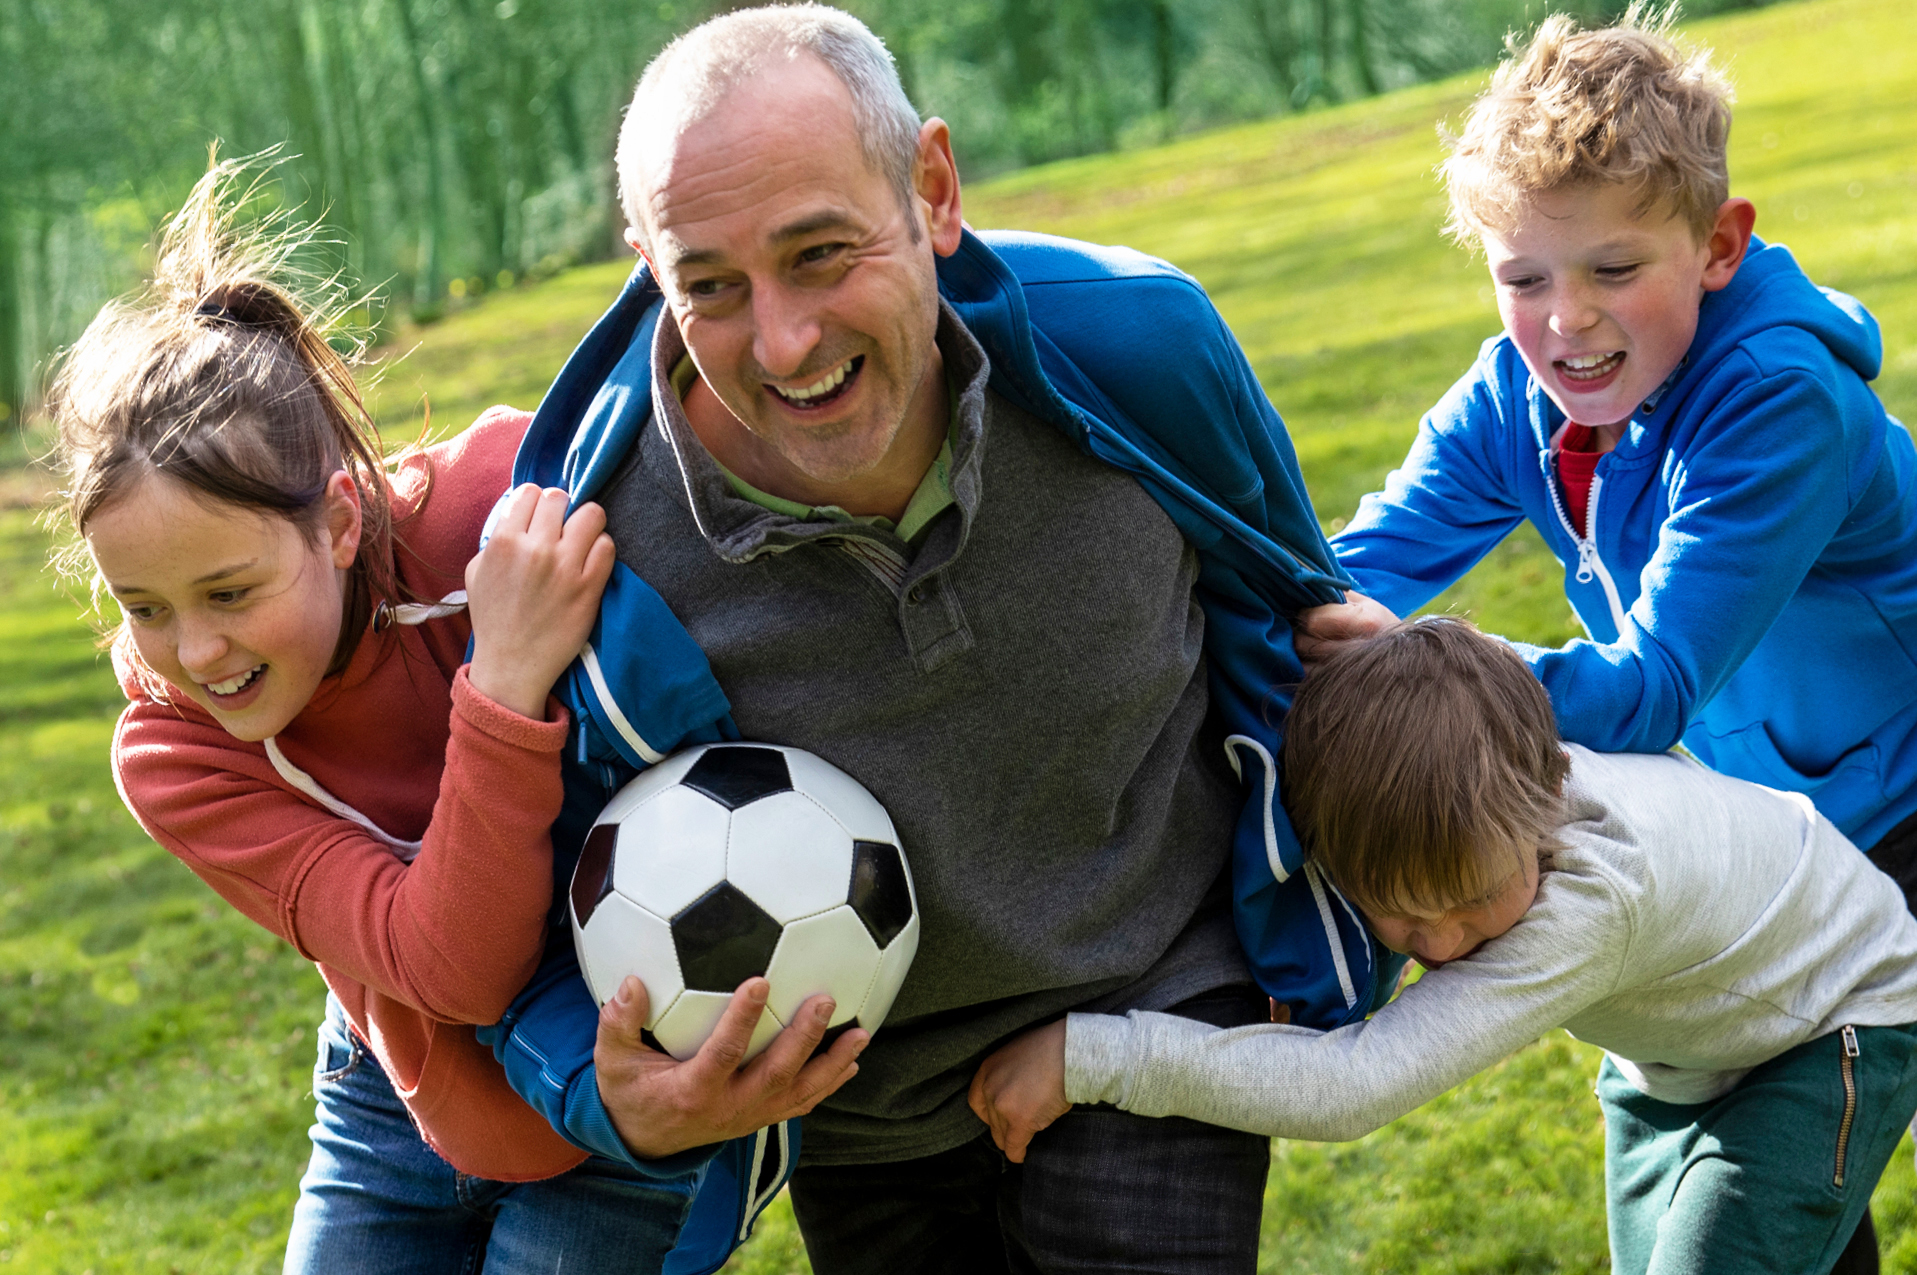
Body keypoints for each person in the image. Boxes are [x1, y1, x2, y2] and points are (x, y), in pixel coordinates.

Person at [473, 5, 1389, 1272]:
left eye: (820, 253)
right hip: (857, 1116)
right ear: (645, 266)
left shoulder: (1138, 353)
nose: (784, 341)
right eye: (711, 286)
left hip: (1157, 1009)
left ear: (933, 189)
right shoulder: (594, 557)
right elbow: (508, 921)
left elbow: (1305, 628)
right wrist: (605, 1083)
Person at [50, 157, 858, 1272]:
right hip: (399, 1088)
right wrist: (503, 689)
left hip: (630, 1084)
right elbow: (453, 971)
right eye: (144, 608)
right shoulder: (173, 752)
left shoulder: (502, 507)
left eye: (229, 593)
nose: (196, 653)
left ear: (338, 520)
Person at [971, 616, 1917, 1275]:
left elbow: (1355, 1084)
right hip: (1677, 1051)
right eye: (1400, 915)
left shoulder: (1595, 897)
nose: (1443, 942)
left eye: (1468, 901)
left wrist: (1091, 1054)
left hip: (1834, 1017)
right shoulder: (1492, 793)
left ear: (1546, 792)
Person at [1299, 14, 1917, 886]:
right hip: (1760, 816)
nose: (1566, 318)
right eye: (1523, 279)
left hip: (1898, 806)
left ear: (1717, 246)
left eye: (1614, 270)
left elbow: (1652, 683)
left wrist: (1422, 664)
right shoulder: (1510, 400)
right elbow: (1345, 579)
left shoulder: (1778, 400)